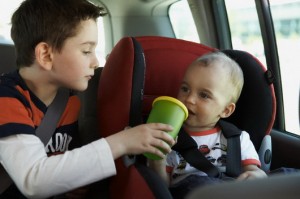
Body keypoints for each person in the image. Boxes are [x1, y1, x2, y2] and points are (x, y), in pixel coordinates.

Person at [0, 0, 175, 198]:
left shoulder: (71, 101)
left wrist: (70, 183)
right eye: (86, 51)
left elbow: (64, 164)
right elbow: (34, 180)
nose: (95, 62)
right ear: (46, 55)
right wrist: (123, 142)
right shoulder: (6, 98)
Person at [148, 51, 267, 199]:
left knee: (288, 176)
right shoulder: (169, 137)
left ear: (226, 110)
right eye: (185, 89)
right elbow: (162, 188)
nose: (189, 99)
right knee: (200, 185)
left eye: (204, 95)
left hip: (233, 191)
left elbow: (252, 171)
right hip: (192, 191)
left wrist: (257, 176)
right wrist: (157, 159)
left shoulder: (238, 138)